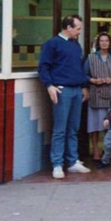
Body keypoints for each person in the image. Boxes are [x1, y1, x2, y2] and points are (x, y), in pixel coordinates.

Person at [38, 14, 91, 179]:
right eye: (78, 28)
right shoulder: (52, 44)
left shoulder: (76, 46)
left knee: (73, 128)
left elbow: (79, 68)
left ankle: (73, 161)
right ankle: (57, 164)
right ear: (68, 28)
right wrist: (49, 86)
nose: (79, 32)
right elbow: (43, 67)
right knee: (60, 129)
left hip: (76, 90)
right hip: (62, 90)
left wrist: (83, 86)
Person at [84, 32, 111, 160]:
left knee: (109, 126)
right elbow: (84, 75)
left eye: (106, 41)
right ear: (98, 43)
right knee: (95, 126)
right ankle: (95, 151)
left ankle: (107, 152)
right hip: (96, 94)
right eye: (102, 41)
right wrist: (93, 81)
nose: (104, 43)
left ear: (110, 43)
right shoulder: (91, 57)